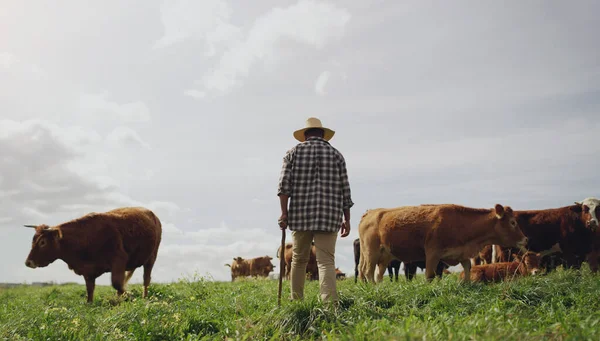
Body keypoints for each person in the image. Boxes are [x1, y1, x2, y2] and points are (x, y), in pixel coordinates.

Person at [277, 117, 353, 303]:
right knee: (326, 261)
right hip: (329, 216)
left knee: (299, 260)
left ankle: (297, 302)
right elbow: (345, 189)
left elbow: (283, 186)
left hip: (300, 215)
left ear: (304, 135)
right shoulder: (336, 155)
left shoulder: (292, 153)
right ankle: (329, 305)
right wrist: (347, 219)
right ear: (324, 135)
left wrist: (284, 213)